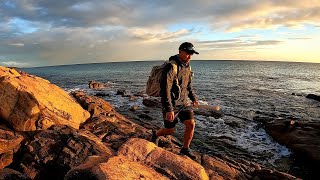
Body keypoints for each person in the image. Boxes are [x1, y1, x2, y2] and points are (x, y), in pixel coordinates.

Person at [152, 42, 200, 160]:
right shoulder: (171, 66)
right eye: (188, 53)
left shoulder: (188, 66)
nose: (190, 56)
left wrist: (193, 98)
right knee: (170, 130)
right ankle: (155, 134)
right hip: (171, 104)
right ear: (180, 51)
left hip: (184, 103)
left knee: (191, 124)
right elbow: (165, 89)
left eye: (191, 54)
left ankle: (185, 149)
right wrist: (169, 109)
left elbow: (188, 85)